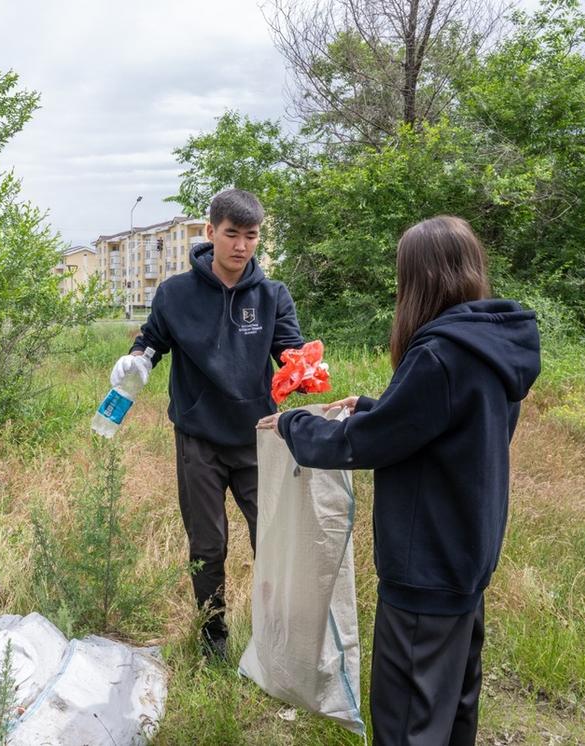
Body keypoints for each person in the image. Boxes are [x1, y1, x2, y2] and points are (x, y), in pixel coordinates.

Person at [257, 215, 541, 744]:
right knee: (452, 710)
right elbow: (445, 426)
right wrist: (368, 405)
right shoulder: (492, 347)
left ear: (422, 280)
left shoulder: (439, 355)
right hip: (467, 559)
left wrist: (295, 423)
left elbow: (367, 442)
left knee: (408, 725)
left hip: (425, 569)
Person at [109, 188, 305, 659]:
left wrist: (303, 370)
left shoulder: (272, 294)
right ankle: (213, 638)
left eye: (251, 236)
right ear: (210, 232)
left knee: (272, 542)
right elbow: (151, 342)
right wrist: (136, 361)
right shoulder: (176, 294)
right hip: (199, 440)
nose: (241, 245)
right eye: (232, 234)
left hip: (259, 438)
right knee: (207, 544)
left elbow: (291, 353)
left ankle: (275, 638)